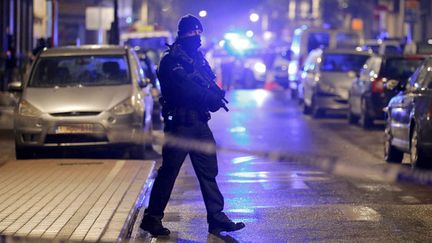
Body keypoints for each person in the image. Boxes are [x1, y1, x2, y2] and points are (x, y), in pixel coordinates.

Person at [139, 14, 245, 236]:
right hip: (179, 125)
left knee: (209, 172)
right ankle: (152, 218)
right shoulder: (171, 61)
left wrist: (216, 95)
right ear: (182, 34)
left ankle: (216, 218)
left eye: (199, 33)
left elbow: (208, 82)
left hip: (199, 123)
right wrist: (208, 97)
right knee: (169, 173)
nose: (196, 37)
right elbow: (185, 90)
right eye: (192, 32)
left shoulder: (198, 59)